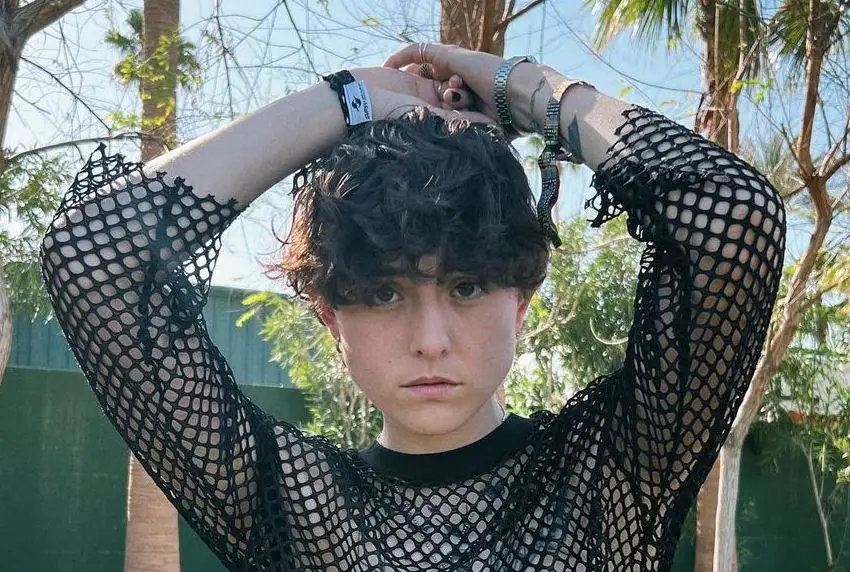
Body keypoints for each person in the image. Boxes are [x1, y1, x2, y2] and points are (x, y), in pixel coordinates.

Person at [41, 43, 785, 571]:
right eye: (383, 293)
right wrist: (350, 97)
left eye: (467, 287)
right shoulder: (292, 504)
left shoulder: (610, 473)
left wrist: (525, 89)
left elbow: (733, 213)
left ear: (521, 300)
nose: (431, 340)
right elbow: (89, 257)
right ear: (330, 317)